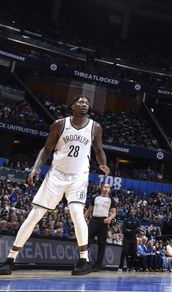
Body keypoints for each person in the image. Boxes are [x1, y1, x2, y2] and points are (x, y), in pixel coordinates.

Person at [0, 95, 109, 276]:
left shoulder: (95, 127)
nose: (84, 104)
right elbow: (46, 149)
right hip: (56, 175)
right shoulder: (59, 124)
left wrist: (103, 163)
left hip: (79, 176)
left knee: (76, 212)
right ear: (72, 105)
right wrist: (35, 168)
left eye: (87, 103)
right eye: (80, 102)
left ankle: (83, 260)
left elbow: (99, 150)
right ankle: (10, 259)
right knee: (35, 215)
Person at [85, 183, 116, 270]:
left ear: (109, 190)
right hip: (94, 220)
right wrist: (83, 219)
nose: (106, 188)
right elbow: (89, 210)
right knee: (87, 241)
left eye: (108, 187)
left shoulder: (111, 199)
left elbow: (114, 212)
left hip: (104, 222)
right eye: (105, 187)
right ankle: (84, 260)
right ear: (101, 188)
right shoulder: (95, 197)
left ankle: (98, 265)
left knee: (102, 244)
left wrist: (110, 218)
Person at [118, 207, 141, 271]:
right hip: (126, 238)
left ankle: (131, 267)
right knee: (124, 252)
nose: (132, 213)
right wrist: (133, 230)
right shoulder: (126, 220)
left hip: (133, 238)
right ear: (129, 213)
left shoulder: (137, 220)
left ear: (135, 213)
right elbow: (124, 230)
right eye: (131, 212)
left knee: (134, 252)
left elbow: (138, 230)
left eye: (133, 212)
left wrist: (130, 231)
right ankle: (120, 267)